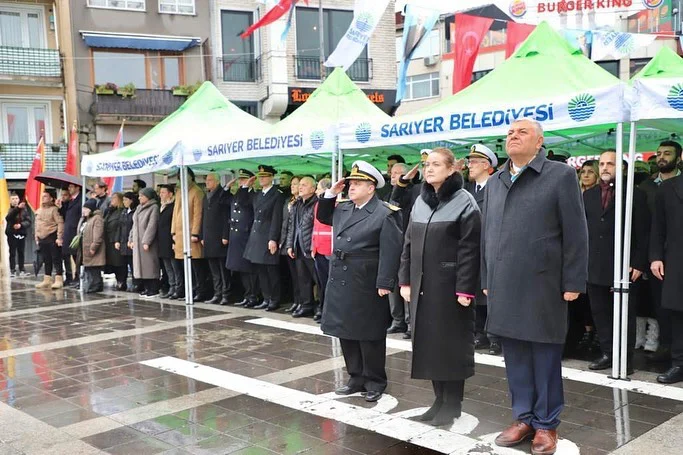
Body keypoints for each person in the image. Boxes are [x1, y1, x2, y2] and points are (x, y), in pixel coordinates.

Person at [482, 119, 588, 454]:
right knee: (515, 356)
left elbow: (575, 231)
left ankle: (546, 424)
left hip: (543, 282)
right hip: (505, 284)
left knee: (544, 356)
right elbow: (488, 235)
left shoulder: (559, 175)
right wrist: (487, 279)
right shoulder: (496, 180)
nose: (512, 136)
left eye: (522, 132)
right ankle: (523, 417)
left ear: (539, 141)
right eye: (510, 133)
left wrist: (572, 280)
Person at [399, 148, 481, 426]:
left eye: (436, 164)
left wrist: (465, 289)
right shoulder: (420, 202)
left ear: (451, 169)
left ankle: (452, 403)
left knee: (451, 346)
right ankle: (438, 400)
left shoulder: (465, 201)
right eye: (427, 164)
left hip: (451, 287)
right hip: (423, 285)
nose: (429, 169)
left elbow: (471, 249)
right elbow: (408, 244)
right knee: (431, 345)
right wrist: (405, 279)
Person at [316, 160, 402, 403]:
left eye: (358, 183)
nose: (351, 187)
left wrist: (385, 281)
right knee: (346, 331)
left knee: (369, 333)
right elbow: (323, 216)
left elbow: (391, 250)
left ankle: (375, 380)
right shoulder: (343, 208)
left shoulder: (384, 212)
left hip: (366, 278)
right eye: (350, 183)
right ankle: (355, 377)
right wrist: (331, 192)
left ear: (371, 188)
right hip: (342, 276)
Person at [584, 150, 649, 374]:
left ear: (621, 168)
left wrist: (639, 263)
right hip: (594, 265)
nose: (604, 168)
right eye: (601, 164)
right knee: (600, 313)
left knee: (624, 315)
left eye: (610, 164)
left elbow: (643, 231)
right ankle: (608, 353)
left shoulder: (634, 195)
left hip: (623, 266)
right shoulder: (588, 196)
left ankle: (625, 358)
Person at [639, 140, 681, 363]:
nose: (662, 157)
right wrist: (651, 257)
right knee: (664, 307)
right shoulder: (647, 187)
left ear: (678, 157)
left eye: (668, 153)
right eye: (659, 153)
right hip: (661, 258)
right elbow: (649, 226)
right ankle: (668, 349)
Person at [465, 144, 501, 356]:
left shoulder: (496, 187)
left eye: (474, 162)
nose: (469, 165)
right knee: (476, 291)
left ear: (486, 165)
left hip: (490, 246)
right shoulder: (468, 191)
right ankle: (480, 332)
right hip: (472, 246)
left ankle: (495, 336)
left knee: (491, 293)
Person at [651, 174, 683, 383]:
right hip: (676, 259)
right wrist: (655, 257)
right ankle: (679, 363)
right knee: (678, 314)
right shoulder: (668, 188)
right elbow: (657, 227)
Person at [244, 165, 285, 311]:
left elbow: (276, 218)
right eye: (260, 176)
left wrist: (273, 238)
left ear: (271, 177)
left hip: (267, 235)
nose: (261, 179)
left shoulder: (277, 194)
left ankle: (274, 299)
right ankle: (266, 298)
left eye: (265, 176)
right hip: (257, 235)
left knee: (271, 270)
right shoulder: (258, 194)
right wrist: (247, 186)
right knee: (261, 270)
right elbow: (244, 202)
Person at [171, 168, 209, 301]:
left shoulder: (197, 191)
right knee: (183, 265)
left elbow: (198, 214)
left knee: (196, 265)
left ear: (191, 177)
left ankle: (200, 291)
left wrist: (196, 233)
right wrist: (173, 232)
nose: (182, 179)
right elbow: (175, 213)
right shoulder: (180, 191)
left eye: (185, 176)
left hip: (191, 234)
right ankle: (188, 290)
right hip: (180, 235)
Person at [286, 176, 319, 318]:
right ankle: (306, 305)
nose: (300, 187)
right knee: (303, 279)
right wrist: (289, 245)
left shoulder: (317, 203)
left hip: (311, 248)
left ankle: (320, 306)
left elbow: (317, 227)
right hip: (298, 246)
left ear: (313, 189)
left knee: (318, 280)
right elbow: (292, 226)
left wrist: (314, 246)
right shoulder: (296, 204)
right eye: (300, 185)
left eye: (304, 185)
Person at [228, 169, 258, 307]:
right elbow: (223, 200)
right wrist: (227, 187)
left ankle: (252, 296)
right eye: (240, 180)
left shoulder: (252, 194)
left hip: (246, 235)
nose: (241, 182)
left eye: (244, 180)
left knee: (248, 269)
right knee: (240, 269)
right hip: (237, 236)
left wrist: (246, 187)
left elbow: (243, 203)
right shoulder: (239, 193)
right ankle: (247, 295)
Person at [386, 162, 410, 335]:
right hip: (390, 243)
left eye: (397, 173)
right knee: (392, 283)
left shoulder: (412, 192)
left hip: (406, 243)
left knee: (406, 282)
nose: (393, 176)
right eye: (392, 173)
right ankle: (397, 319)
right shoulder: (387, 193)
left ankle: (409, 321)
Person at [201, 173, 231, 305]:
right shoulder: (206, 197)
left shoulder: (221, 194)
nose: (207, 182)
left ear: (217, 182)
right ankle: (217, 293)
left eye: (209, 180)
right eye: (206, 180)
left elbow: (226, 217)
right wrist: (202, 235)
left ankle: (226, 293)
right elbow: (203, 218)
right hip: (208, 237)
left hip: (219, 237)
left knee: (222, 269)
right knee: (213, 269)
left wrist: (225, 235)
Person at [130, 187, 161, 297]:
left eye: (141, 196)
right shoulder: (138, 208)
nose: (139, 198)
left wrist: (146, 241)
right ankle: (146, 288)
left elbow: (152, 225)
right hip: (138, 242)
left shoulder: (154, 208)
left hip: (147, 243)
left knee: (150, 266)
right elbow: (134, 225)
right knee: (142, 266)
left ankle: (153, 288)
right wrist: (131, 239)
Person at [311, 178, 333, 322]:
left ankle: (329, 311)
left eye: (318, 188)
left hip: (329, 249)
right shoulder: (317, 204)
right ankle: (323, 308)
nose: (317, 191)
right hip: (319, 248)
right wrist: (313, 247)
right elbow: (315, 228)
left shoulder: (335, 204)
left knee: (330, 284)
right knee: (322, 283)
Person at [34, 190, 64, 289]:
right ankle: (47, 279)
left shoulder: (54, 210)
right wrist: (36, 236)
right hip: (42, 238)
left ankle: (59, 279)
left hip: (52, 236)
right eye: (42, 196)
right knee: (46, 259)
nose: (43, 198)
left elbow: (60, 223)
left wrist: (59, 237)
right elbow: (36, 224)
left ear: (51, 198)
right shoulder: (39, 210)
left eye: (46, 196)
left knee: (56, 258)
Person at [281, 176, 301, 313]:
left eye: (296, 184)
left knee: (301, 276)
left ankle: (303, 302)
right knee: (294, 275)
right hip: (288, 241)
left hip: (298, 243)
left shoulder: (301, 202)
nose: (293, 186)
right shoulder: (289, 201)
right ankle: (296, 300)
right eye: (292, 184)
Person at [79, 198, 105, 293]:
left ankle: (96, 285)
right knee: (90, 268)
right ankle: (91, 285)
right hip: (87, 248)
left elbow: (98, 235)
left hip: (93, 248)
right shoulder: (87, 219)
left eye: (85, 209)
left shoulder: (97, 218)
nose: (83, 211)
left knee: (94, 268)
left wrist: (94, 246)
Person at [116, 192, 140, 292]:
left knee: (133, 263)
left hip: (131, 242)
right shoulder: (123, 212)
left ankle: (136, 283)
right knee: (122, 264)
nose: (124, 202)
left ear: (131, 200)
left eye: (126, 200)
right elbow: (119, 227)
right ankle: (122, 282)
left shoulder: (135, 211)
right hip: (122, 241)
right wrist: (117, 240)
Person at [104, 193, 127, 290]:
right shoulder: (110, 211)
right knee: (112, 262)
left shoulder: (121, 211)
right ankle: (118, 280)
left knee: (119, 262)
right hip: (108, 240)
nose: (112, 200)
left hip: (116, 240)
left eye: (114, 198)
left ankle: (122, 281)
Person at [157, 185, 177, 299]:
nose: (161, 195)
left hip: (171, 240)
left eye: (163, 192)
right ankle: (171, 286)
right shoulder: (162, 206)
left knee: (174, 266)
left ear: (170, 194)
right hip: (162, 241)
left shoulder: (173, 206)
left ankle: (177, 287)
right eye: (160, 193)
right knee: (167, 267)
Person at [5, 193, 31, 277]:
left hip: (21, 233)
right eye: (13, 199)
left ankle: (22, 269)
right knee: (12, 252)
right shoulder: (9, 209)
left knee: (21, 252)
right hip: (11, 233)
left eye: (16, 198)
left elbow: (28, 221)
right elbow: (8, 217)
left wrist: (21, 225)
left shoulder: (24, 210)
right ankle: (12, 269)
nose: (15, 200)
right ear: (10, 200)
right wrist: (17, 208)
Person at [62, 183, 82, 287]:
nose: (69, 189)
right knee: (69, 254)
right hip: (68, 231)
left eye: (71, 187)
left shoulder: (81, 199)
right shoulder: (70, 201)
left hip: (76, 231)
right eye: (68, 187)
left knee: (77, 256)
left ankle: (79, 276)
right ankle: (72, 277)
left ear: (77, 187)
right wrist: (62, 205)